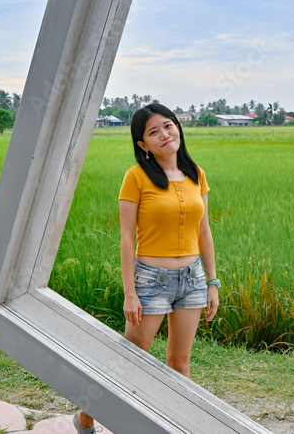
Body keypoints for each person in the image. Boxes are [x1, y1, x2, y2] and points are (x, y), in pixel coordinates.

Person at [73, 103, 219, 433]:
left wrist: (212, 282)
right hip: (151, 280)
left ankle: (175, 426)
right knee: (130, 362)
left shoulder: (196, 173)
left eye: (168, 126)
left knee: (180, 362)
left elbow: (204, 231)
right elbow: (126, 237)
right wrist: (130, 292)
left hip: (192, 279)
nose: (165, 134)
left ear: (178, 127)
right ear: (143, 144)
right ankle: (86, 415)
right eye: (154, 131)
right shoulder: (136, 177)